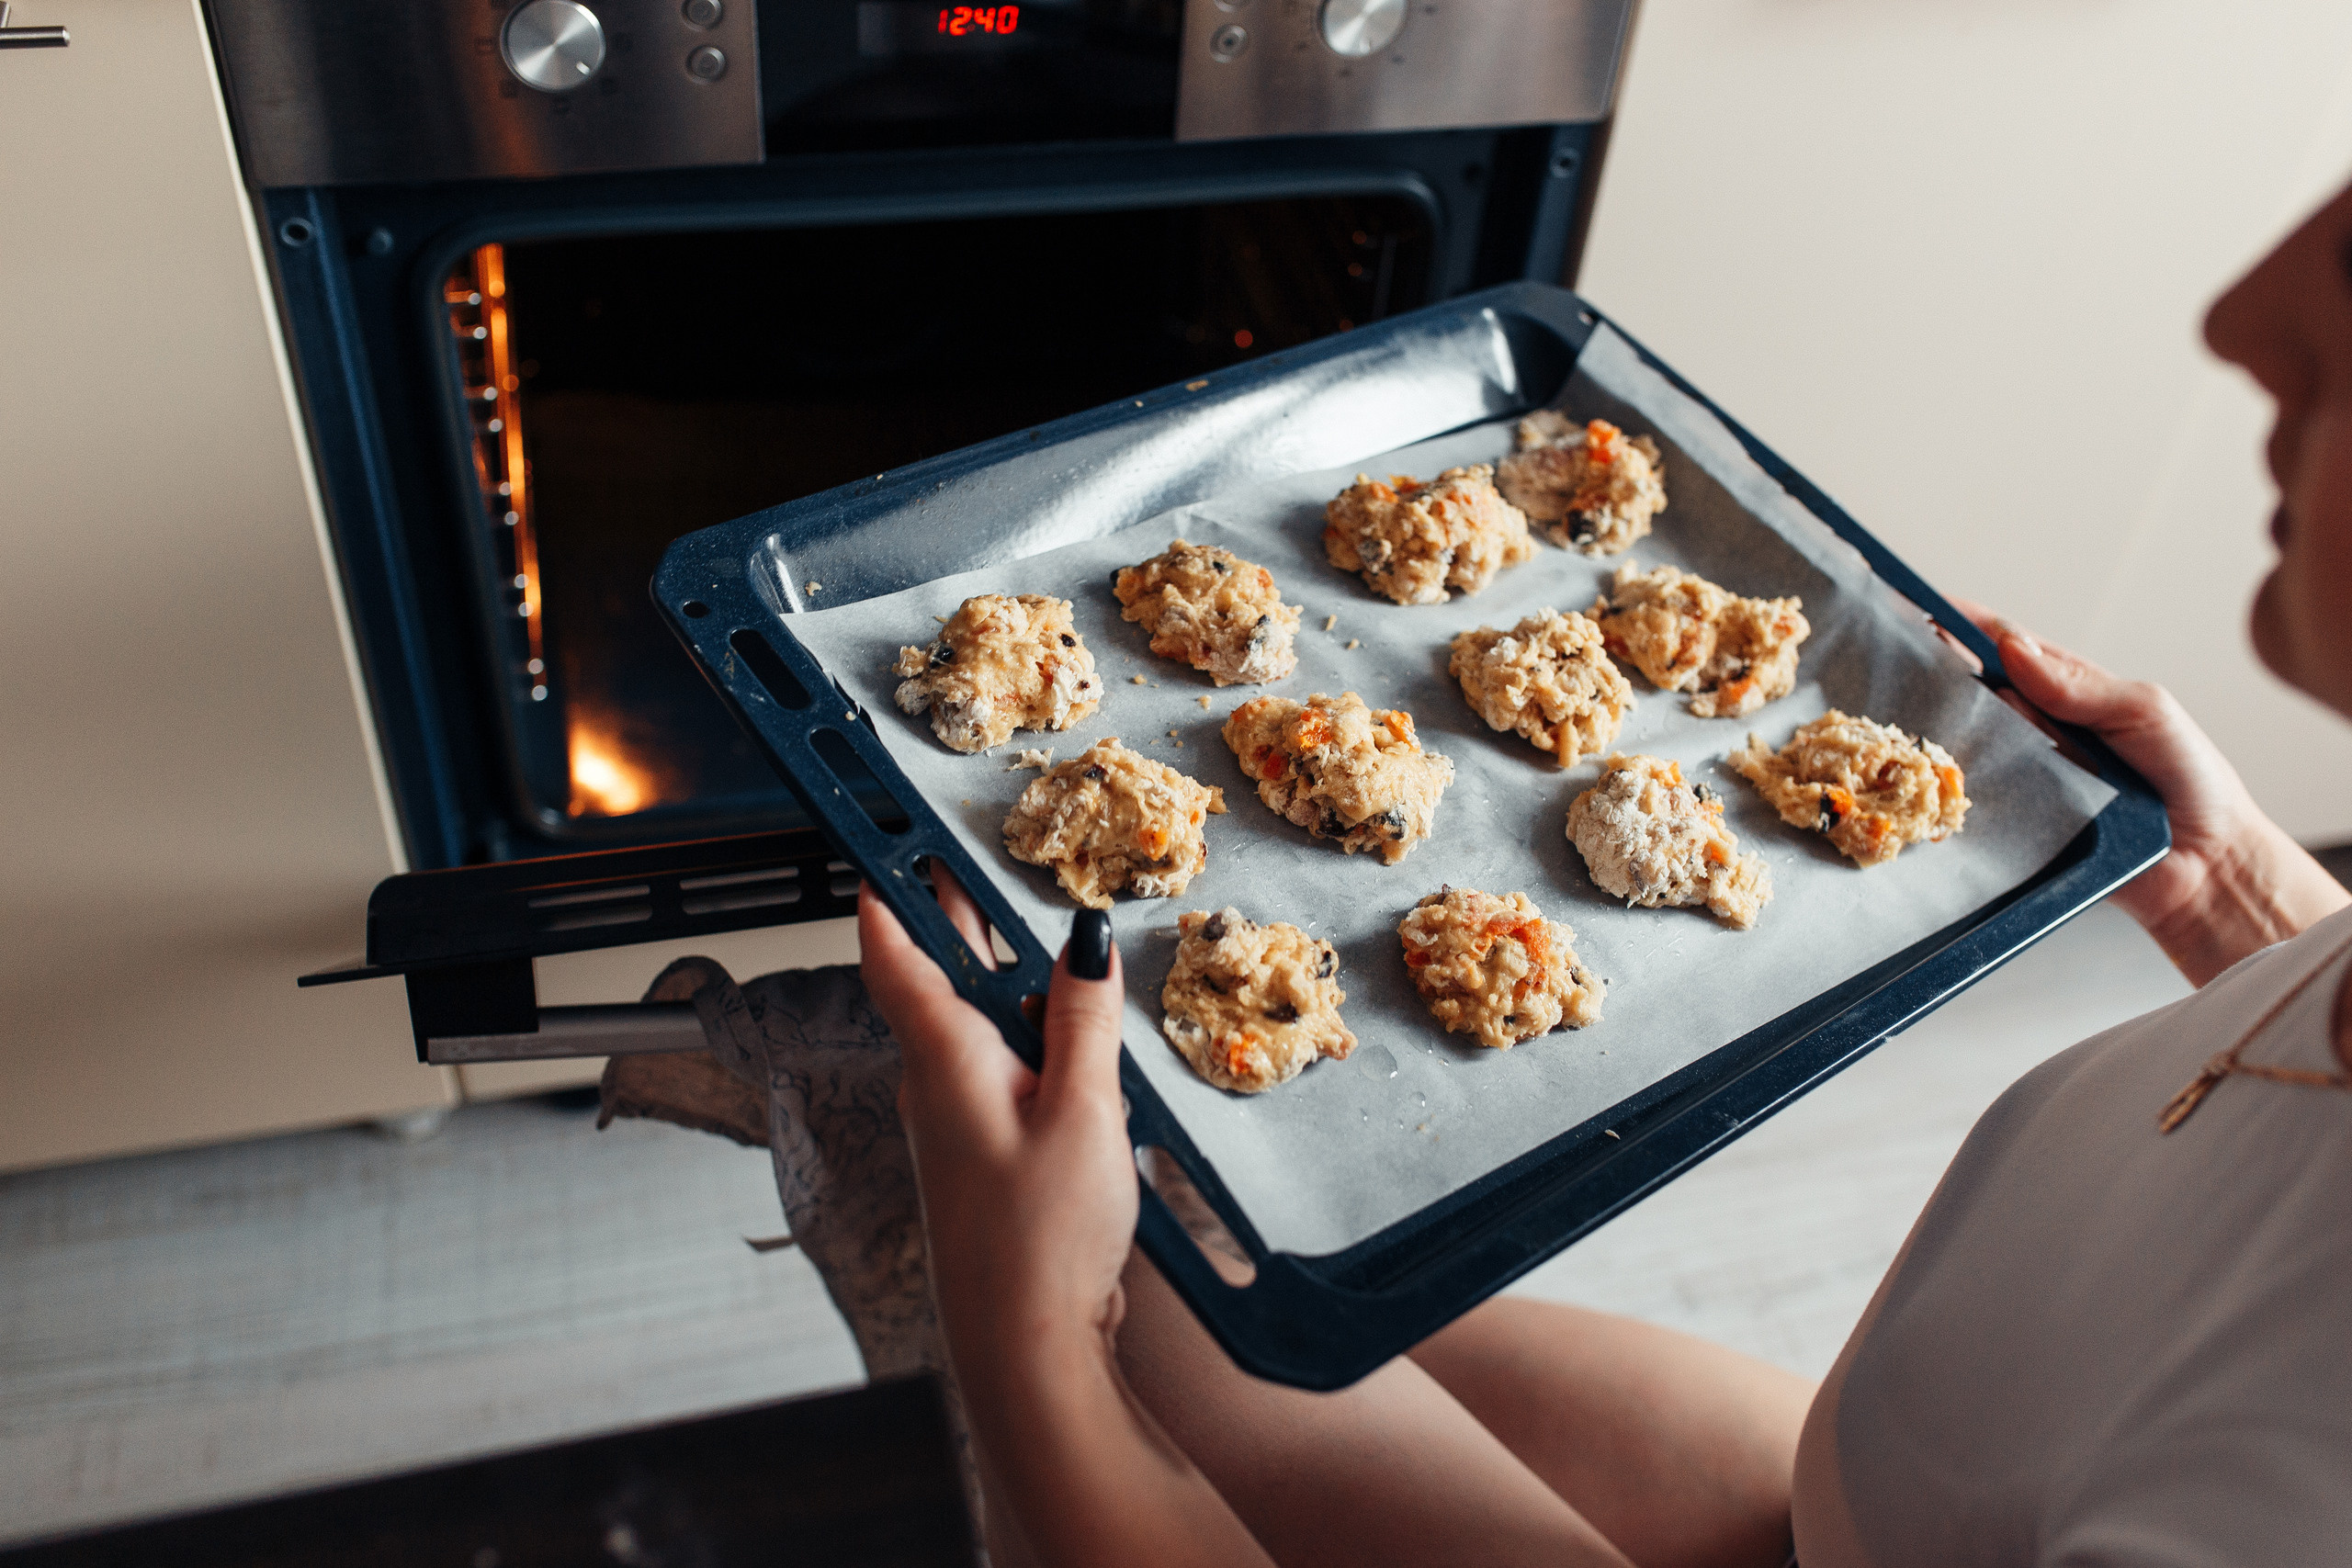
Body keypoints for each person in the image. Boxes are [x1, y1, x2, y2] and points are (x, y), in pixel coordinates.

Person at [856, 177, 2352, 1566]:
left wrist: (1025, 1342)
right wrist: (2251, 912)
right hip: (1889, 1493)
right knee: (1212, 1296)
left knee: (1135, 1322)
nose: (2239, 316)